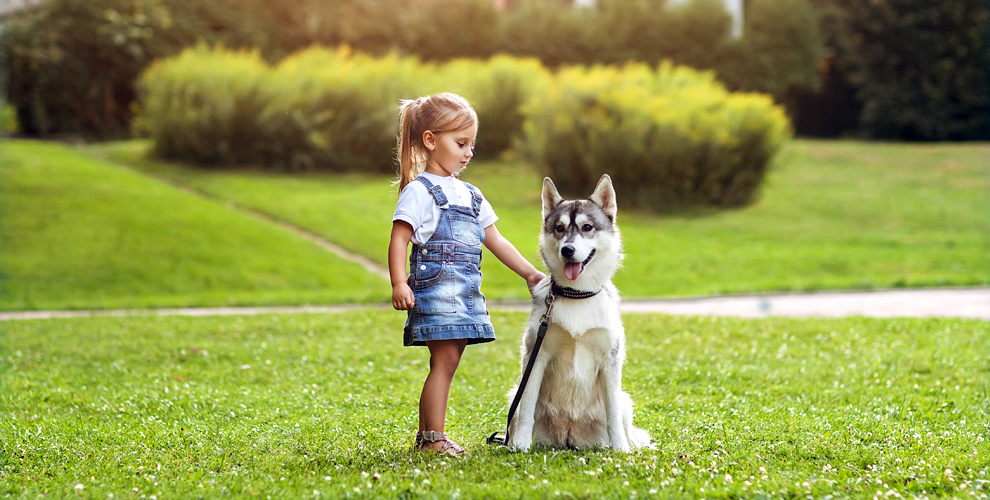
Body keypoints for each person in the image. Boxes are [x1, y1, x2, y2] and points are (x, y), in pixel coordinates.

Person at [389, 93, 545, 456]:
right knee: (444, 361)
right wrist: (399, 282)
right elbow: (399, 239)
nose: (468, 152)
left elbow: (496, 239)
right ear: (430, 140)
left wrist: (530, 273)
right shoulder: (419, 191)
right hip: (435, 290)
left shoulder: (472, 194)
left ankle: (428, 436)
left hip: (464, 292)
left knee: (447, 361)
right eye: (460, 143)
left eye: (471, 145)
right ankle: (433, 441)